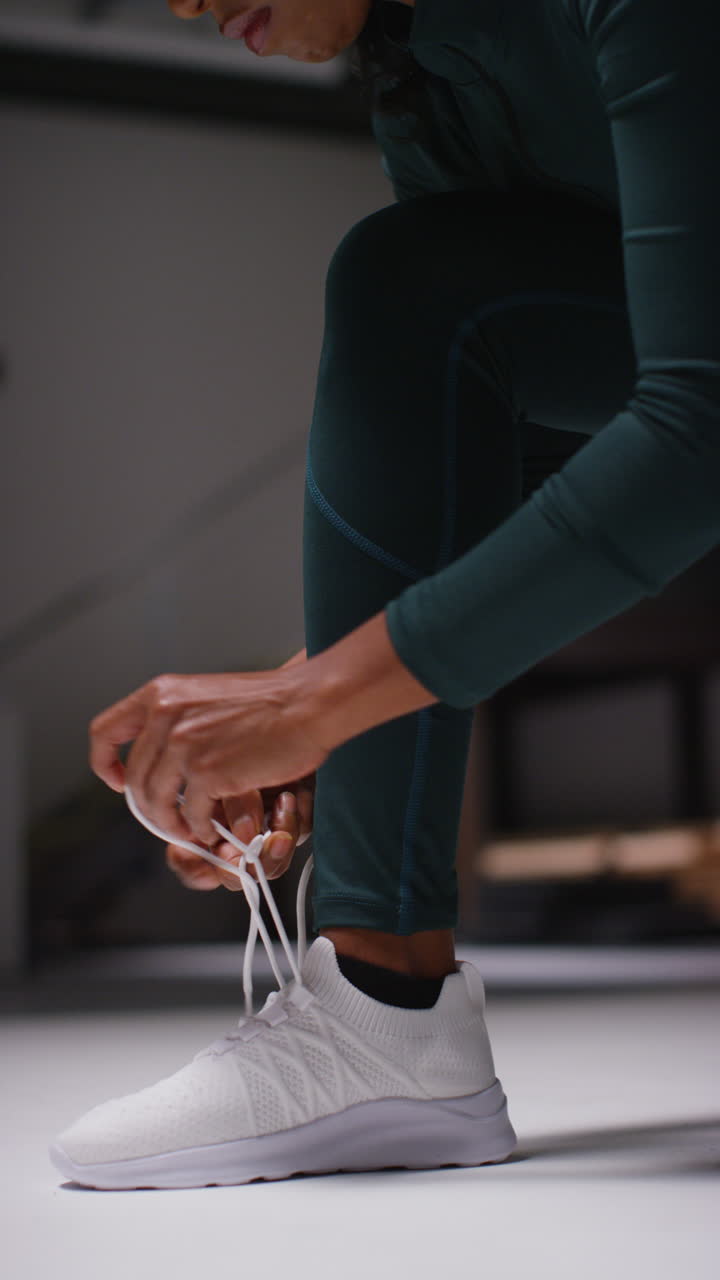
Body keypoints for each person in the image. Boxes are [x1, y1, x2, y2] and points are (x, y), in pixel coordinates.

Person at [50, 0, 719, 1189]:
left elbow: (700, 431)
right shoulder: (427, 72)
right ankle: (381, 1012)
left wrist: (317, 699)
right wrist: (316, 728)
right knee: (415, 285)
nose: (188, 5)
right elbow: (484, 482)